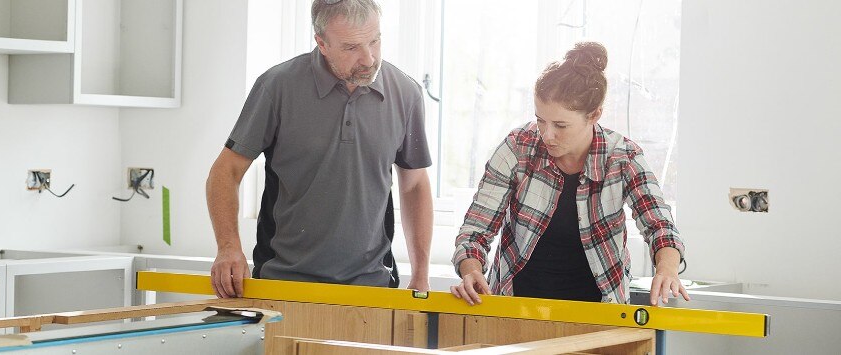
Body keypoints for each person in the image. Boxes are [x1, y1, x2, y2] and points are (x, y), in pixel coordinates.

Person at [206, 0, 434, 298]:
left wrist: (421, 274)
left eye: (375, 41)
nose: (368, 58)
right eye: (351, 48)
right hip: (283, 284)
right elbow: (225, 171)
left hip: (372, 287)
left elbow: (415, 185)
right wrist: (227, 247)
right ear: (322, 43)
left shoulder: (406, 93)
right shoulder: (277, 87)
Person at [450, 42, 689, 306]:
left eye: (560, 125)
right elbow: (476, 229)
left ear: (594, 115)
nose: (546, 134)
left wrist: (666, 269)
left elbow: (660, 226)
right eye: (540, 120)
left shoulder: (623, 157)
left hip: (598, 310)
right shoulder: (518, 147)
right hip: (517, 306)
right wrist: (471, 270)